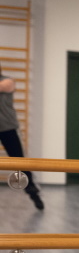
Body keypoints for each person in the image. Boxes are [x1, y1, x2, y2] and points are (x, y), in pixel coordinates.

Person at [0, 64, 44, 210]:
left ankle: (33, 191)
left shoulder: (8, 81)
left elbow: (3, 87)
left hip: (8, 128)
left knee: (19, 162)